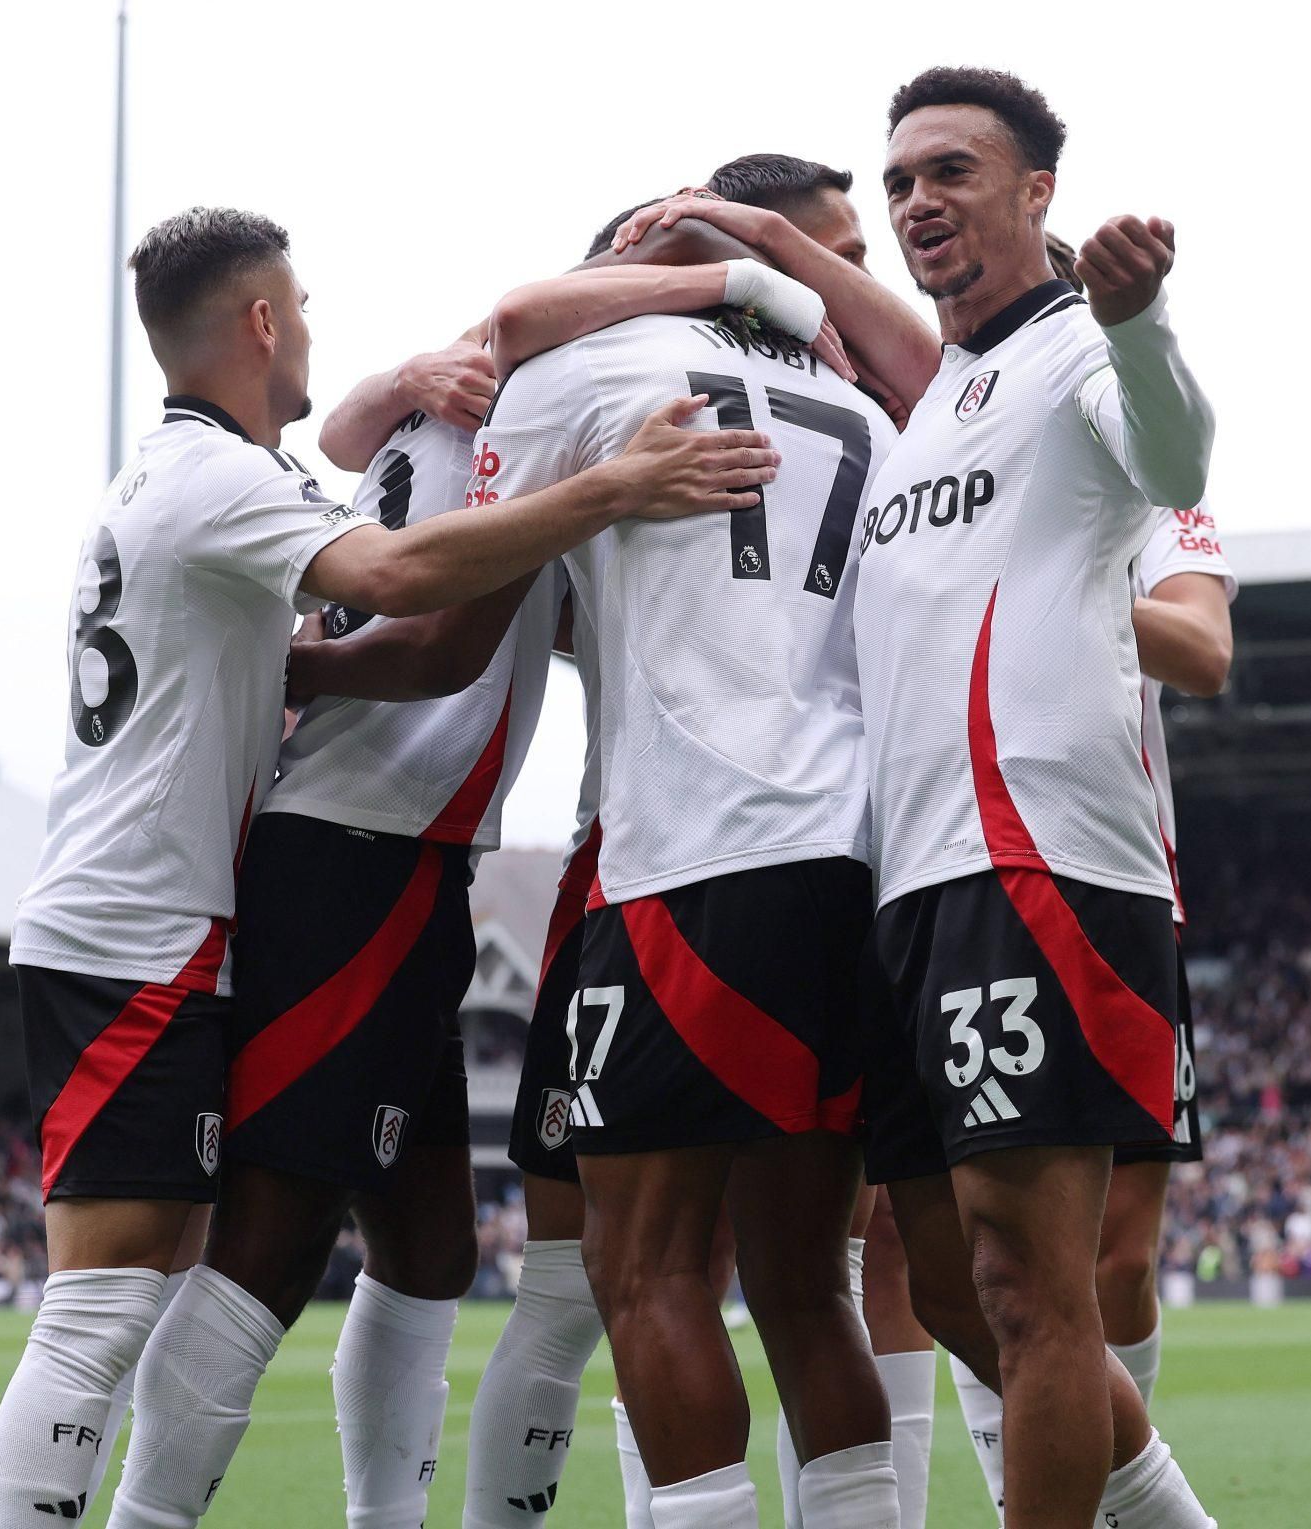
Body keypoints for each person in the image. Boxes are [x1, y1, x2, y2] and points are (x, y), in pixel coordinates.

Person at [0, 203, 778, 1529]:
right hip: (344, 851)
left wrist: (410, 396)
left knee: (424, 1244)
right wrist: (617, 478)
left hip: (381, 863)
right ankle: (149, 1516)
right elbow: (419, 610)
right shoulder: (534, 403)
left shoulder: (356, 430)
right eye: (295, 308)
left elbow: (359, 447)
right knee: (234, 1250)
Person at [468, 201, 904, 1527]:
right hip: (858, 854)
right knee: (805, 1284)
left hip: (694, 857)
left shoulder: (588, 368)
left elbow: (476, 592)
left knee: (645, 1268)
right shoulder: (872, 416)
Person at [852, 66, 1217, 1529]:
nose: (918, 202)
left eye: (951, 171)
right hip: (912, 879)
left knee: (1032, 1283)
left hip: (1038, 863)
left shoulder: (1080, 354)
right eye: (900, 183)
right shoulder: (931, 405)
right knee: (945, 1278)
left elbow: (1181, 456)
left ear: (1035, 192)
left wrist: (1143, 321)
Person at [949, 490, 1234, 1517]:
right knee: (982, 1260)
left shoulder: (1140, 492)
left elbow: (1202, 647)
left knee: (1116, 1257)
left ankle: (1111, 1499)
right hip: (950, 876)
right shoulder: (935, 471)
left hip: (1115, 888)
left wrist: (1061, 587)